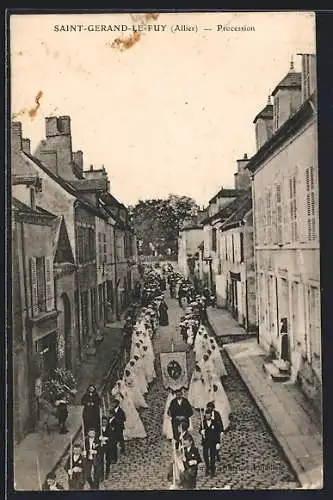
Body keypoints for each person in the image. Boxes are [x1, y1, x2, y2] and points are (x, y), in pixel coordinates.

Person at [200, 407, 223, 477]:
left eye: (208, 415)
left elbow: (217, 433)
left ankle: (212, 469)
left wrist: (218, 442)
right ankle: (207, 468)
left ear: (210, 415)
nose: (207, 416)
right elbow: (200, 429)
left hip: (213, 442)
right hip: (205, 441)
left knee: (213, 456)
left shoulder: (215, 423)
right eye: (206, 415)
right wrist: (201, 431)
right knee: (205, 455)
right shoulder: (203, 422)